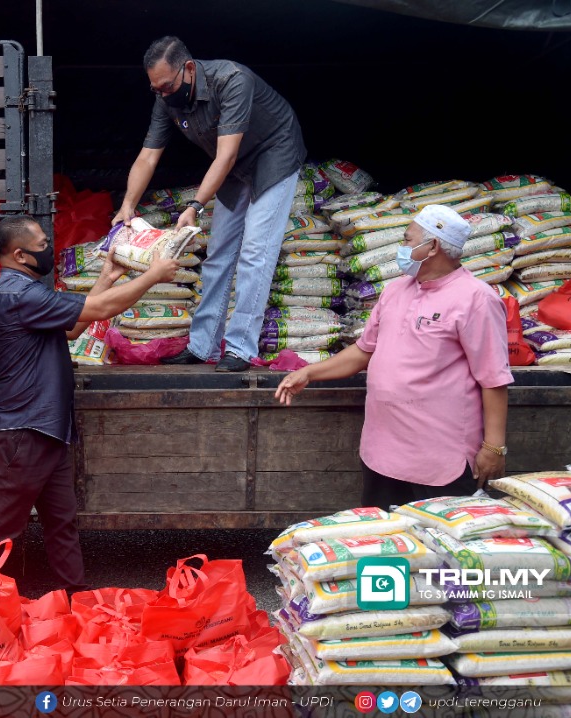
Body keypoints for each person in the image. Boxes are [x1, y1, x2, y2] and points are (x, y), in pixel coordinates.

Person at [0, 215, 179, 592]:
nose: (48, 249)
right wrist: (150, 276)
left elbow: (73, 326)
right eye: (42, 245)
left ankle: (74, 603)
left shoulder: (26, 291)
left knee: (62, 523)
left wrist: (108, 278)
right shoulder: (17, 294)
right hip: (22, 431)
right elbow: (96, 312)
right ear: (19, 254)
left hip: (44, 430)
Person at [274, 204, 513, 507]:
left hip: (438, 460)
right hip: (383, 453)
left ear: (433, 247)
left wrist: (493, 448)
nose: (401, 247)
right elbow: (363, 351)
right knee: (384, 542)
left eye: (407, 240)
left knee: (440, 546)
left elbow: (493, 379)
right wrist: (309, 372)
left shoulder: (476, 299)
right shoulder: (395, 291)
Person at [112, 36, 306, 372]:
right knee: (218, 254)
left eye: (166, 85)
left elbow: (227, 153)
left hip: (273, 153)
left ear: (188, 69)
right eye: (155, 88)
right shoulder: (166, 97)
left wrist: (196, 206)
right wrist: (128, 204)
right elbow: (148, 156)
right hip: (230, 165)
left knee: (255, 252)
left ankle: (240, 348)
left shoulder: (232, 79)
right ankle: (204, 347)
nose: (162, 93)